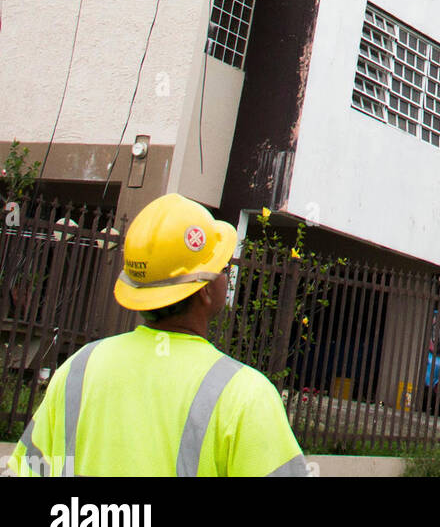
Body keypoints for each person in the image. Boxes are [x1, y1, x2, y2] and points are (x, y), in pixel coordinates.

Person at [7, 193, 307, 477]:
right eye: (222, 268)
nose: (225, 277)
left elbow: (29, 469)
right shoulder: (245, 394)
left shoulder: (78, 368)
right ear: (203, 291)